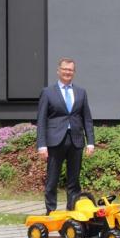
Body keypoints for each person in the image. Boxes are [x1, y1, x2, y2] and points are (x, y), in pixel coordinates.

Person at [36, 57, 95, 214]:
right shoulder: (48, 92)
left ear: (74, 72)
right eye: (65, 69)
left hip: (76, 140)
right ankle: (51, 212)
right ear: (58, 71)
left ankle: (72, 211)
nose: (67, 72)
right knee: (52, 179)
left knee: (74, 180)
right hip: (55, 141)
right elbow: (41, 120)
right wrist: (41, 145)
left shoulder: (81, 92)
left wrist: (90, 142)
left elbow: (87, 118)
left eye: (70, 70)